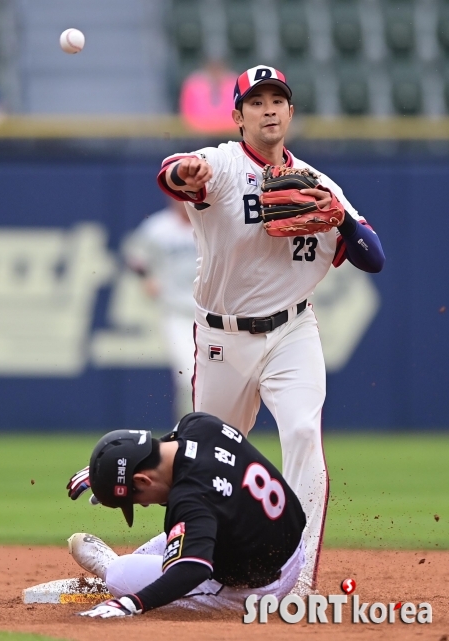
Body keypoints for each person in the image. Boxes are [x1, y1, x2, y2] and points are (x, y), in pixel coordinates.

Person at [156, 64, 385, 595]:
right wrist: (184, 171)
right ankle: (178, 564)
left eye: (277, 100)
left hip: (292, 331)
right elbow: (174, 171)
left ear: (290, 111)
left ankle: (298, 582)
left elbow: (374, 258)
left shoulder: (319, 183)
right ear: (237, 116)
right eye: (256, 102)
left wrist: (341, 218)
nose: (269, 109)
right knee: (199, 457)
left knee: (304, 434)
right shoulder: (223, 165)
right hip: (222, 338)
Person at [66, 412, 306, 617]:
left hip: (256, 588)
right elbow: (159, 446)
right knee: (149, 555)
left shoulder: (191, 499)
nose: (144, 505)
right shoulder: (198, 424)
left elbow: (192, 570)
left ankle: (110, 569)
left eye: (135, 498)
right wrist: (112, 469)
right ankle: (131, 570)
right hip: (282, 541)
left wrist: (130, 603)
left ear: (143, 480)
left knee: (120, 576)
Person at [122, 199, 197, 419]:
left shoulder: (210, 223)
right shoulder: (158, 227)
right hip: (177, 314)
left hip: (213, 314)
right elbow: (134, 257)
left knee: (217, 378)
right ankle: (189, 431)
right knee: (189, 375)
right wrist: (146, 278)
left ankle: (211, 431)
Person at [179, 59, 238, 133]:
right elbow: (187, 118)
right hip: (197, 136)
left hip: (230, 135)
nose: (215, 71)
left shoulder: (234, 83)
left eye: (218, 67)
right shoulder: (193, 84)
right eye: (212, 67)